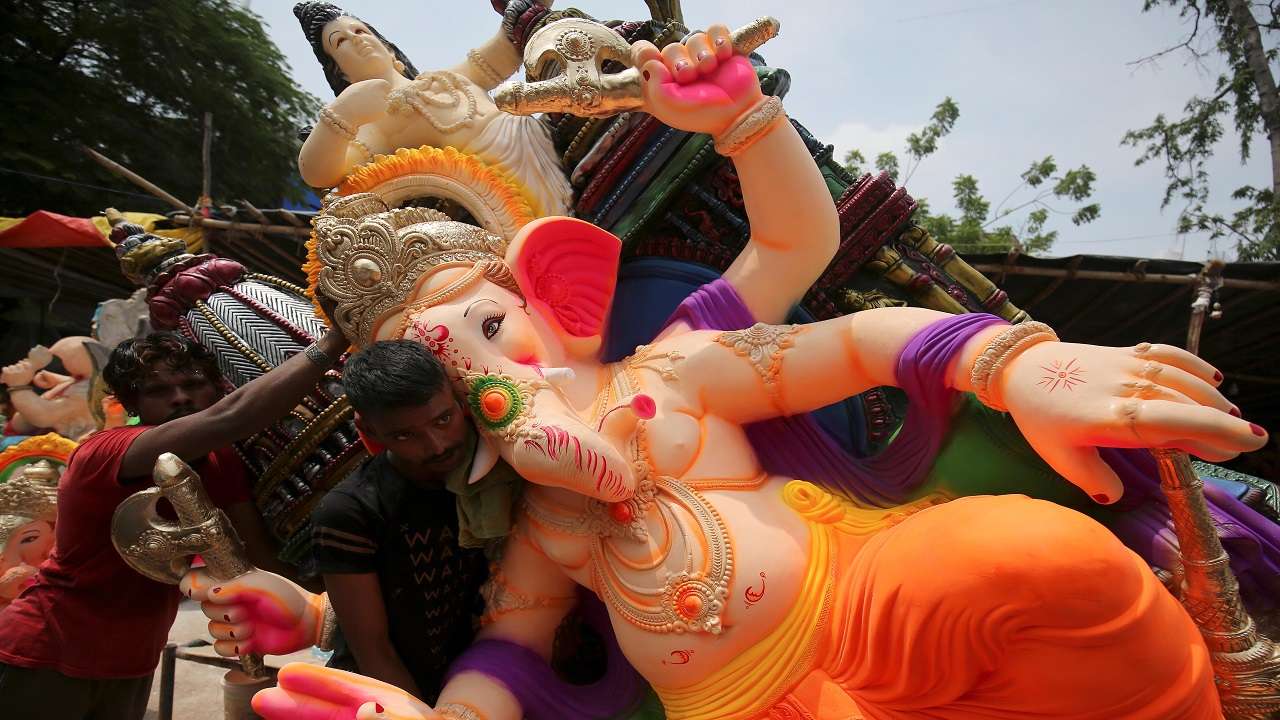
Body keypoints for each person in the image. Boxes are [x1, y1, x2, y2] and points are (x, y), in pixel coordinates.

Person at [0, 326, 346, 720]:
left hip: (132, 661)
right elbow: (231, 417)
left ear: (215, 386)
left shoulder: (219, 462)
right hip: (46, 651)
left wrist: (337, 603)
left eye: (193, 383)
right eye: (157, 391)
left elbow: (257, 557)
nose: (180, 397)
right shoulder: (110, 451)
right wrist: (335, 341)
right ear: (133, 402)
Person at [310, 340, 491, 702]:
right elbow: (373, 649)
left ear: (459, 400)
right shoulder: (351, 512)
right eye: (405, 435)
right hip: (392, 697)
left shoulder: (498, 472)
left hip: (488, 680)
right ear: (369, 430)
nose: (437, 445)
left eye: (444, 419)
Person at [292, 1, 571, 216]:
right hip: (504, 192)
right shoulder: (376, 125)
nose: (355, 39)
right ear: (341, 74)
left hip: (540, 139)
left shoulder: (450, 77)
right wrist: (341, 116)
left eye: (359, 30)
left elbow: (506, 47)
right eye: (339, 41)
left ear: (391, 51)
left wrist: (522, 10)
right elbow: (319, 173)